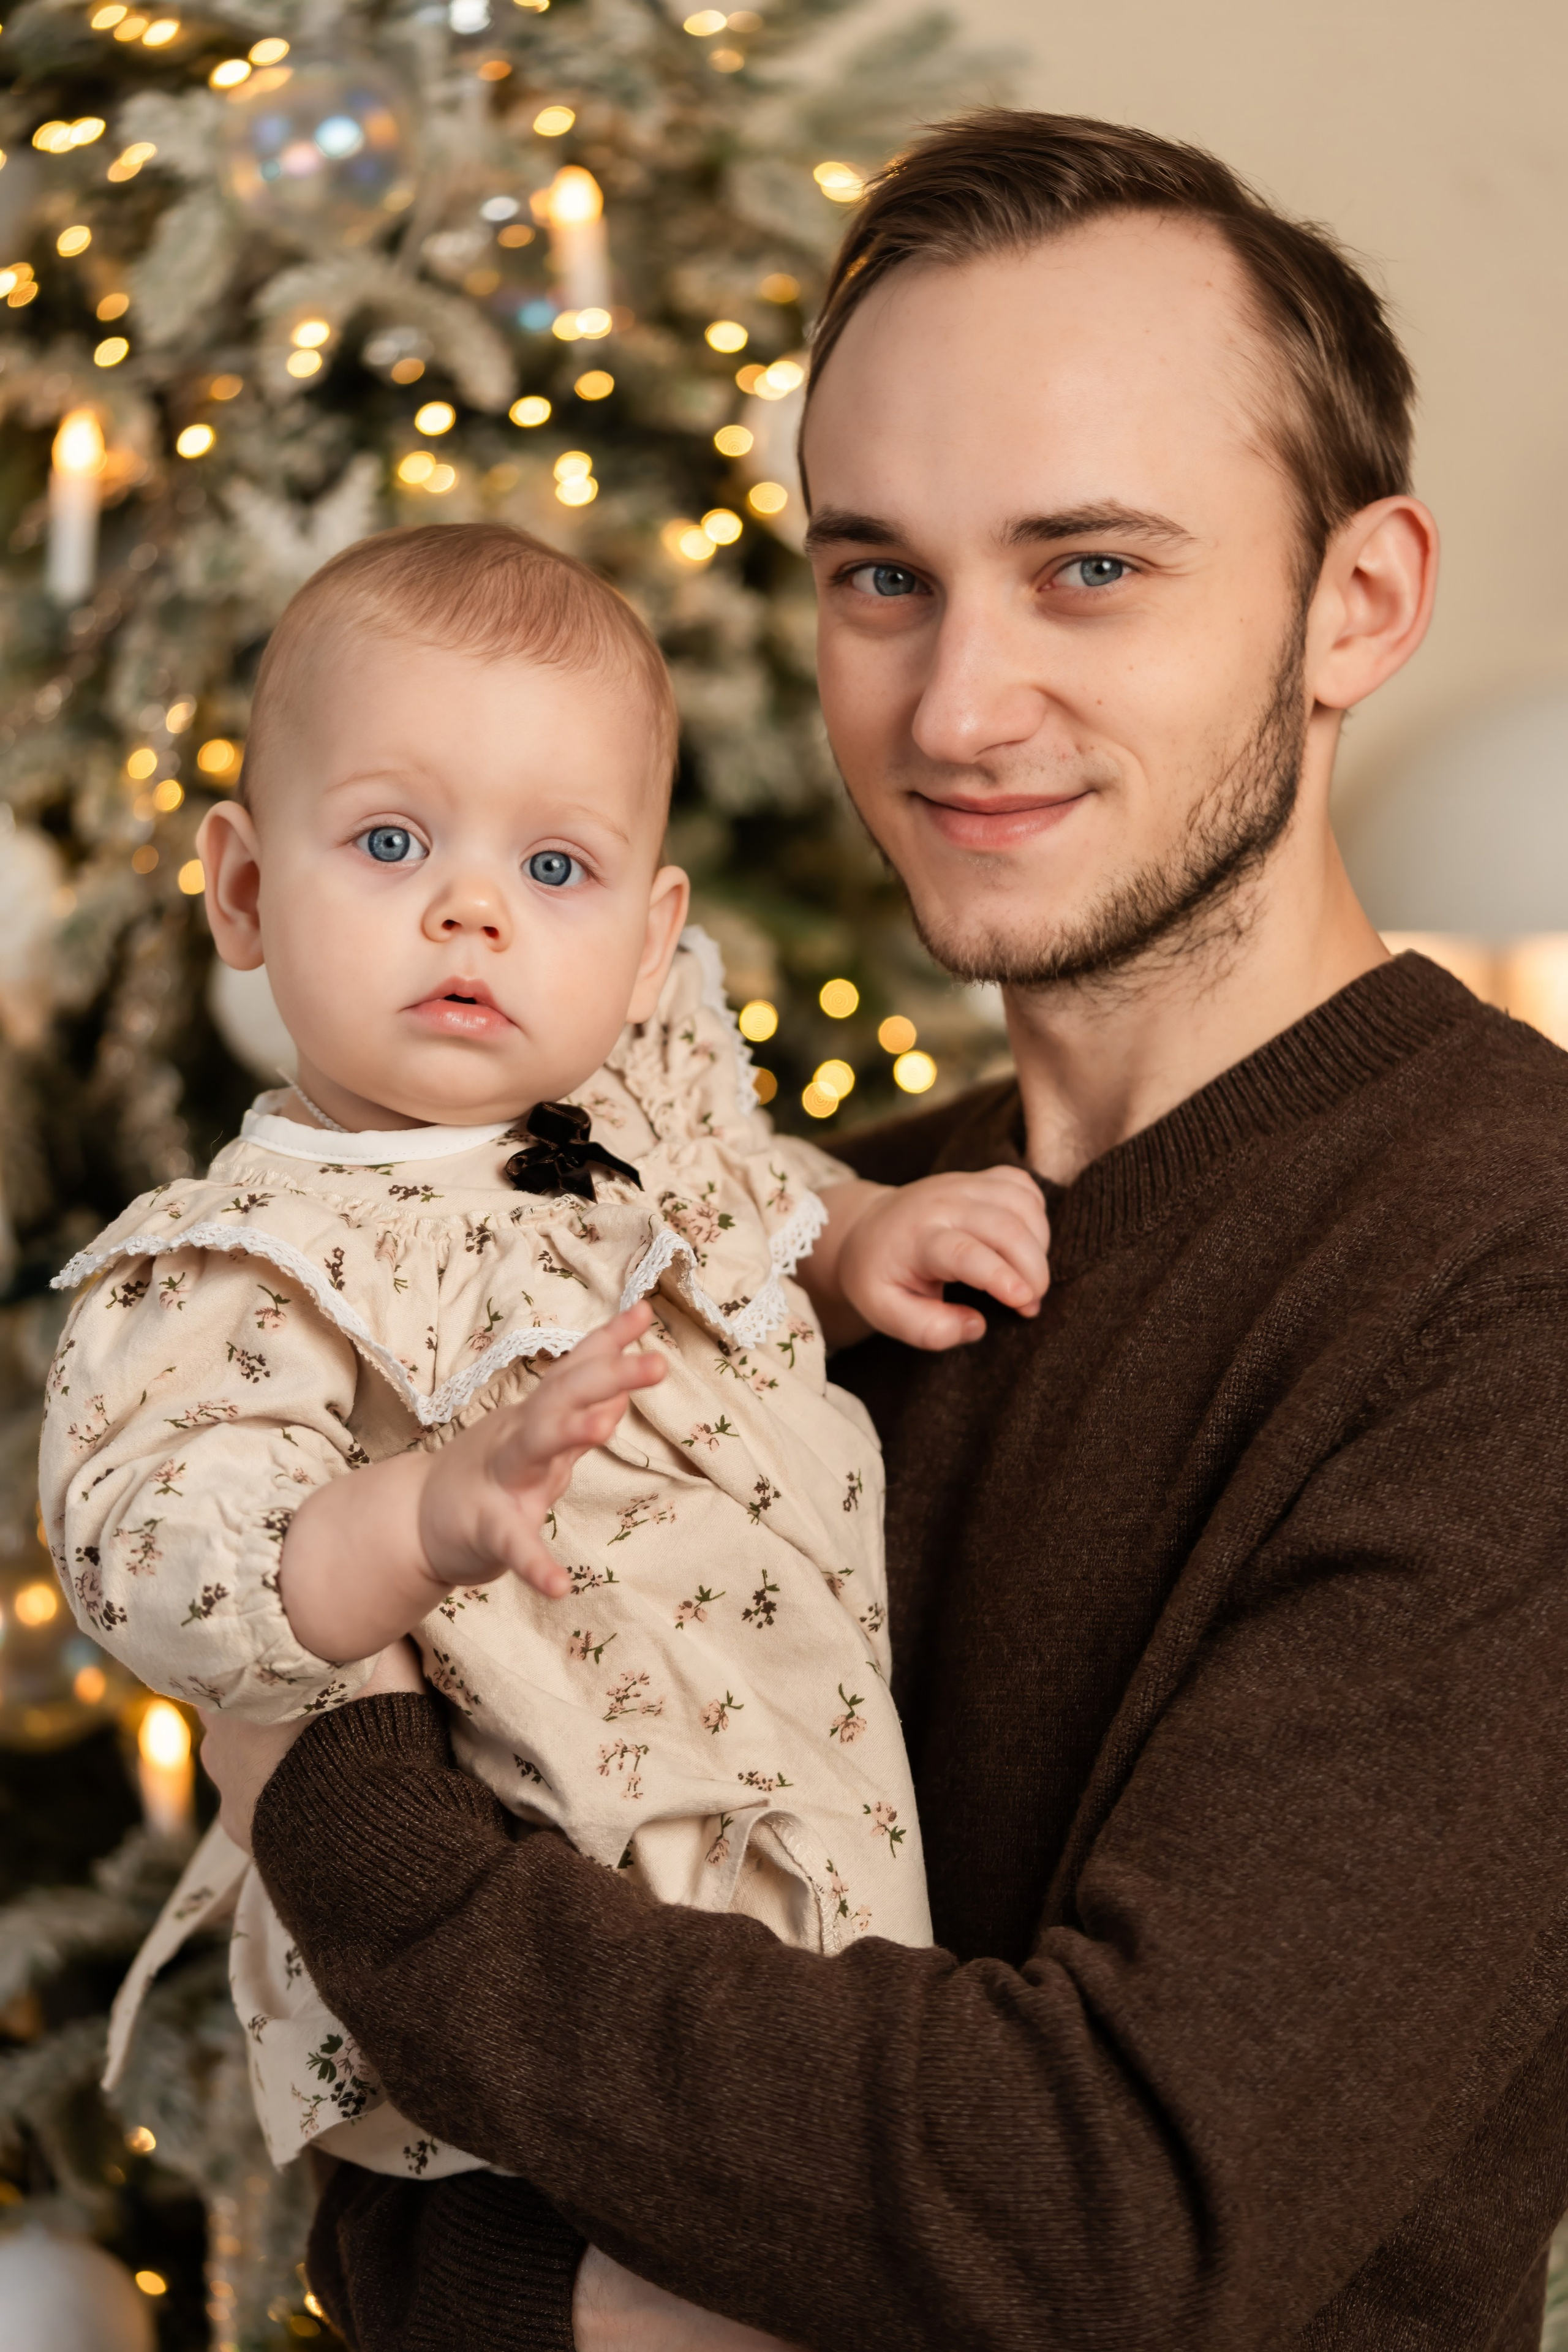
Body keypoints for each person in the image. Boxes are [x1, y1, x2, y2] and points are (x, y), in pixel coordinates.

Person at [202, 110, 1568, 2352]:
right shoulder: (760, 1238)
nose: (955, 708)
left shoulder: (1509, 1274)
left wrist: (329, 1800)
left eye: (1092, 568)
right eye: (879, 575)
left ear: (1361, 601)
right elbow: (385, 2197)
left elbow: (1102, 2211)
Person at [39, 522, 1049, 2179]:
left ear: (651, 945)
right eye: (389, 839)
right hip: (525, 1901)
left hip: (800, 1808)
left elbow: (746, 1229)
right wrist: (418, 1521)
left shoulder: (638, 1136)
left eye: (553, 871)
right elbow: (162, 1562)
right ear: (242, 888)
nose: (471, 913)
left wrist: (860, 1240)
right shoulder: (248, 1262)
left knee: (841, 2155)